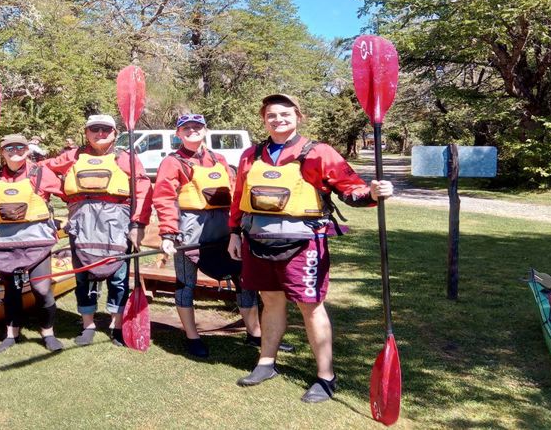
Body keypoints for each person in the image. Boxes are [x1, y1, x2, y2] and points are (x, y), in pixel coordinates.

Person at [228, 94, 394, 402]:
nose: (278, 119)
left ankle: (325, 376)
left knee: (311, 307)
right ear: (264, 119)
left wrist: (372, 191)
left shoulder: (318, 152)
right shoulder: (251, 155)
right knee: (271, 301)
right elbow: (240, 196)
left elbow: (350, 188)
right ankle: (266, 362)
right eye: (271, 115)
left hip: (304, 244)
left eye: (285, 114)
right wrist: (234, 233)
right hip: (257, 241)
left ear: (298, 117)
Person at [152, 113, 293, 358]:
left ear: (205, 130)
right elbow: (164, 197)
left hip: (224, 230)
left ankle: (255, 333)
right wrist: (168, 232)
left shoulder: (219, 159)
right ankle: (192, 336)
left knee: (243, 279)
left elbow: (236, 193)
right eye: (186, 128)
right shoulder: (173, 162)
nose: (192, 131)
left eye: (197, 127)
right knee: (186, 283)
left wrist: (238, 228)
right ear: (178, 134)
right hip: (190, 231)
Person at [42, 114, 152, 346]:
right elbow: (42, 170)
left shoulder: (125, 158)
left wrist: (138, 224)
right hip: (82, 223)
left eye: (106, 129)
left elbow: (142, 189)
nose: (100, 134)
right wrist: (64, 191)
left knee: (119, 277)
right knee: (83, 276)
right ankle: (88, 324)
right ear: (86, 132)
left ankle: (117, 324)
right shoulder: (73, 156)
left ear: (114, 133)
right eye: (95, 129)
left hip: (117, 223)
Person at [0, 134, 65, 353]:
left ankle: (48, 333)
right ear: (2, 152)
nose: (15, 151)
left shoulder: (41, 173)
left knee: (41, 288)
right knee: (11, 289)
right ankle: (11, 335)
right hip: (4, 240)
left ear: (28, 149)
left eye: (20, 147)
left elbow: (69, 194)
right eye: (9, 148)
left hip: (36, 239)